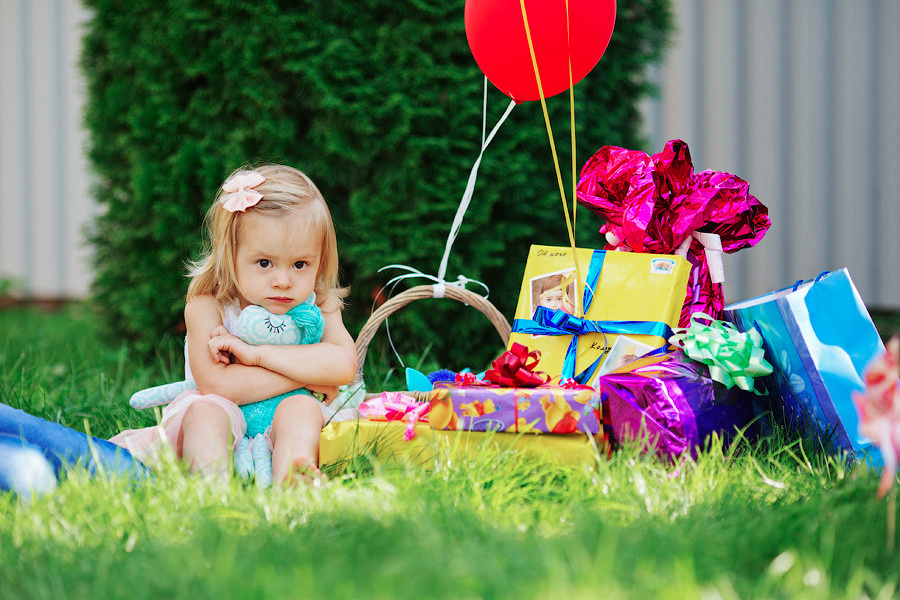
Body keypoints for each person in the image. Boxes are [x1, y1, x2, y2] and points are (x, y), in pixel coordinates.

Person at [111, 165, 357, 484]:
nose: (283, 281)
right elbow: (218, 385)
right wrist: (305, 376)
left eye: (300, 264)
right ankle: (211, 489)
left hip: (287, 427)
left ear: (320, 260)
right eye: (264, 263)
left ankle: (294, 479)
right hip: (222, 417)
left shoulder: (318, 303)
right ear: (231, 254)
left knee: (302, 410)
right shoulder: (207, 304)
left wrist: (256, 356)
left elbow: (345, 364)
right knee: (206, 411)